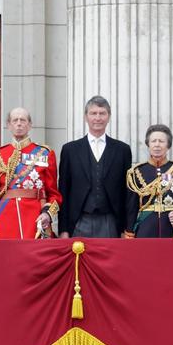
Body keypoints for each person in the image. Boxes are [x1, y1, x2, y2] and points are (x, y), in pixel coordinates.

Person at [58, 96, 132, 239]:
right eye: (93, 113)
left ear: (108, 117)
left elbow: (126, 192)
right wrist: (64, 229)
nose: (98, 118)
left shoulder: (122, 150)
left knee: (110, 261)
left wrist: (125, 228)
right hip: (79, 220)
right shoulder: (70, 150)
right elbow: (64, 190)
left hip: (110, 221)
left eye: (102, 113)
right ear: (86, 117)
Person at [0, 107, 61, 239]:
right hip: (6, 219)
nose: (19, 123)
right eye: (15, 120)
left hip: (35, 218)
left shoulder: (45, 153)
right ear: (8, 125)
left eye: (23, 120)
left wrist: (47, 214)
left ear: (30, 125)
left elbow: (54, 195)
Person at [125, 124, 173, 238]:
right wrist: (129, 234)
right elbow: (131, 208)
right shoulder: (137, 172)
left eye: (161, 141)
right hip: (146, 231)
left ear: (168, 145)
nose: (157, 145)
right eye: (153, 141)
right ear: (148, 144)